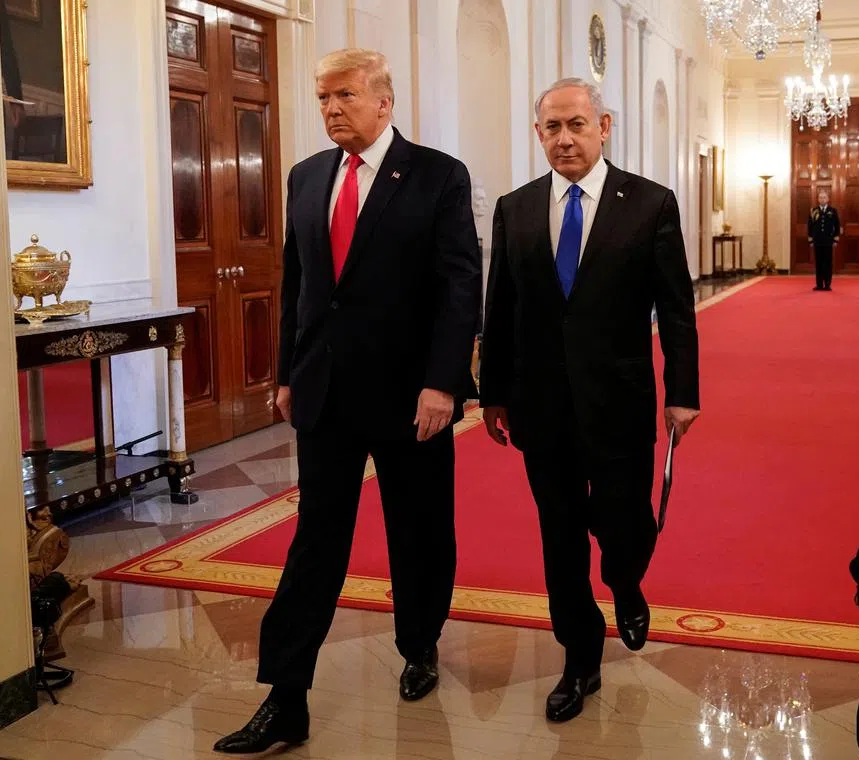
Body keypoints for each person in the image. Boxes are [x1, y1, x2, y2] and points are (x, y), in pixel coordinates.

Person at [214, 48, 481, 754]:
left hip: (411, 395)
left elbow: (460, 286)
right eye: (323, 97)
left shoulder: (437, 176)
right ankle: (286, 695)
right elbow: (297, 285)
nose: (331, 108)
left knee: (419, 530)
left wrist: (445, 383)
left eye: (345, 96)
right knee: (315, 541)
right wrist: (285, 373)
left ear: (384, 102)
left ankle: (419, 644)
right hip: (325, 393)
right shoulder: (307, 177)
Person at [478, 77, 700, 723]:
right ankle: (579, 656)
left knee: (626, 520)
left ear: (604, 126)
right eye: (552, 127)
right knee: (561, 533)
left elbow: (676, 309)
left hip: (621, 399)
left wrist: (682, 392)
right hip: (541, 404)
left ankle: (626, 581)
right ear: (538, 134)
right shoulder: (516, 207)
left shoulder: (649, 203)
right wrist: (494, 392)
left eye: (577, 124)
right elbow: (503, 307)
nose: (565, 138)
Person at [807, 188, 841, 291]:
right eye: (820, 197)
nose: (822, 199)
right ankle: (819, 284)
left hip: (828, 241)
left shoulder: (832, 211)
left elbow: (837, 225)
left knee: (827, 263)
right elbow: (810, 226)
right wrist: (811, 240)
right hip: (817, 241)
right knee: (818, 263)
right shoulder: (813, 211)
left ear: (828, 199)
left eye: (824, 197)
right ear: (818, 199)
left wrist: (835, 240)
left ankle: (827, 284)